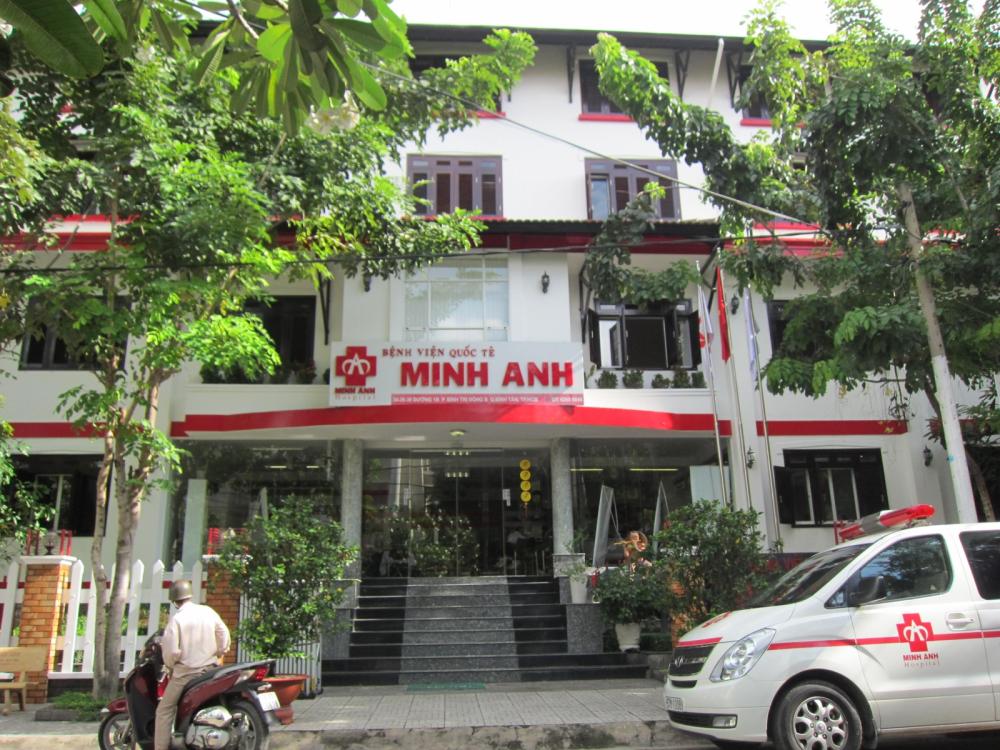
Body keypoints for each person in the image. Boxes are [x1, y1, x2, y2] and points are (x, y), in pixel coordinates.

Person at [154, 579, 231, 750]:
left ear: (174, 600)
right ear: (190, 595)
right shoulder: (207, 611)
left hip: (185, 675)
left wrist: (170, 666)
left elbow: (171, 652)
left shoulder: (177, 619)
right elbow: (223, 634)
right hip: (211, 671)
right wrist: (220, 652)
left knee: (164, 710)